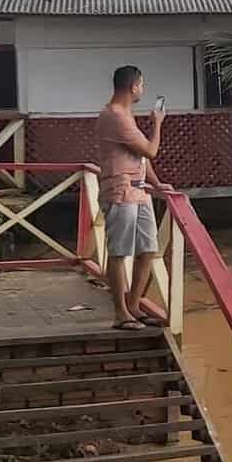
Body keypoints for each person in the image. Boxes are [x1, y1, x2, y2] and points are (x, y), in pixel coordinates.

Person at [97, 64, 165, 331]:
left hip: (140, 190)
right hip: (120, 190)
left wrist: (158, 184)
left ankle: (134, 304)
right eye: (142, 84)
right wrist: (157, 124)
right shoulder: (115, 116)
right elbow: (150, 150)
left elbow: (139, 158)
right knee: (119, 252)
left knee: (148, 249)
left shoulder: (125, 114)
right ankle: (120, 312)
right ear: (133, 86)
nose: (143, 89)